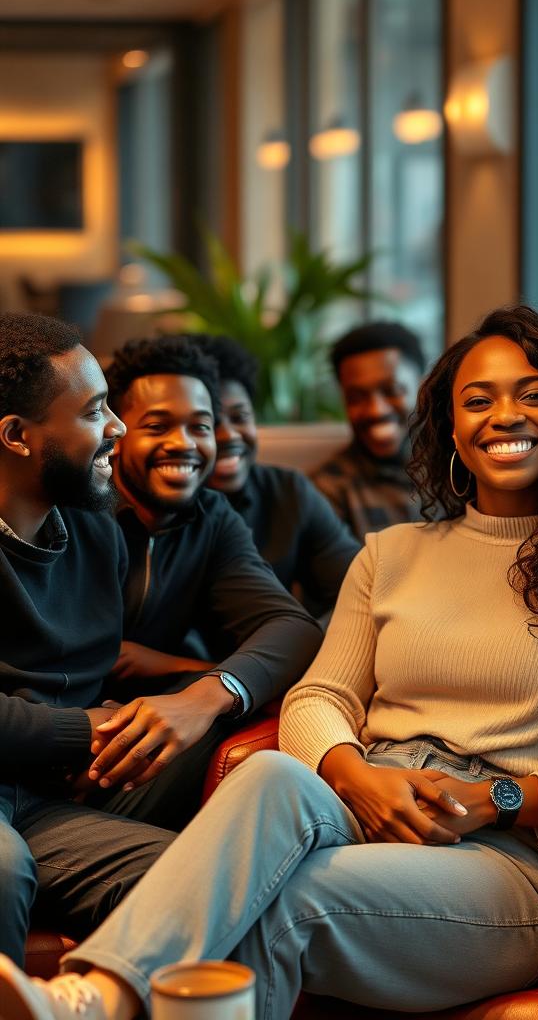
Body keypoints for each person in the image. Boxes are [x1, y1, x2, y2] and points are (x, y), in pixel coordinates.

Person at [0, 305, 538, 1020]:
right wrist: (353, 774)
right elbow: (316, 698)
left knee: (275, 902)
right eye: (477, 400)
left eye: (534, 394)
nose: (503, 417)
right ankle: (91, 997)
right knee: (271, 771)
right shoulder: (391, 554)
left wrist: (499, 800)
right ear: (451, 426)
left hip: (501, 859)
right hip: (366, 802)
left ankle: (91, 999)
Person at [86, 335, 323, 831]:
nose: (184, 444)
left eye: (201, 426)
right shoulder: (80, 508)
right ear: (117, 433)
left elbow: (292, 626)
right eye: (158, 426)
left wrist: (206, 692)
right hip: (59, 738)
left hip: (136, 738)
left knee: (237, 709)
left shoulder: (211, 517)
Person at [0, 313, 173, 966]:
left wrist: (211, 688)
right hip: (29, 789)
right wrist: (85, 731)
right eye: (97, 410)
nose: (119, 429)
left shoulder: (97, 531)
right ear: (17, 436)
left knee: (192, 878)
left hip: (47, 799)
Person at [190, 334, 360, 618]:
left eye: (240, 417)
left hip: (277, 658)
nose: (229, 435)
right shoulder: (157, 510)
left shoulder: (287, 492)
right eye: (208, 423)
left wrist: (315, 643)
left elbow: (359, 589)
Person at [311, 320, 425, 539]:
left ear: (423, 388)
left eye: (391, 390)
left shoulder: (461, 469)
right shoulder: (327, 490)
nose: (376, 410)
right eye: (356, 398)